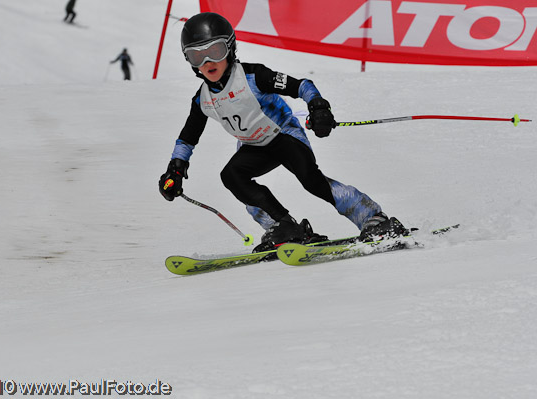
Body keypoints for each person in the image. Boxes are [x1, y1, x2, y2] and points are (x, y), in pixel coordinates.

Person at [158, 12, 408, 252]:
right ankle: (284, 227)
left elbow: (301, 86)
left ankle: (374, 218)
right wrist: (176, 168)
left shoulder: (254, 76)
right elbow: (187, 138)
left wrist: (318, 107)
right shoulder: (202, 100)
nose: (207, 62)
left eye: (215, 51)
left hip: (284, 136)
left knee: (311, 180)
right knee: (233, 176)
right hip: (254, 147)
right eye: (196, 56)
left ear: (230, 49)